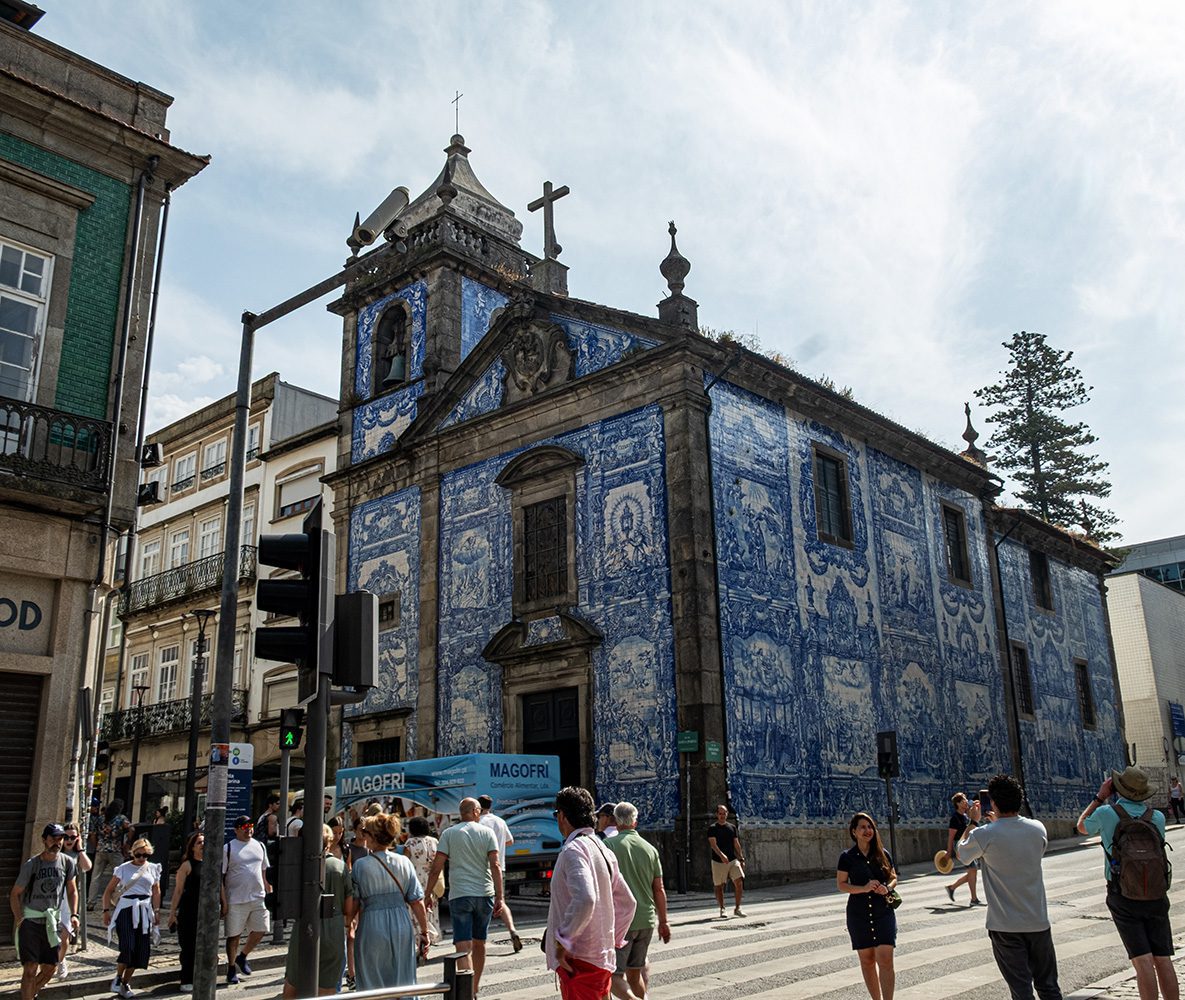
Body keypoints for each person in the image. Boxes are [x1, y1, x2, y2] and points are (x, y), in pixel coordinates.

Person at [957, 773, 1062, 1000]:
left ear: (993, 802)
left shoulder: (984, 834)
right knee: (1049, 987)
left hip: (1005, 926)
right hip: (1038, 922)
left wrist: (973, 821)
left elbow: (962, 853)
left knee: (1021, 990)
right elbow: (1015, 841)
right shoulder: (1038, 829)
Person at [1078, 766, 1177, 1000]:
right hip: (1156, 894)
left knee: (1142, 961)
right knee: (1163, 959)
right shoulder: (1157, 817)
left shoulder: (1106, 813)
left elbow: (1081, 826)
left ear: (1117, 788)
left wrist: (1100, 797)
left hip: (1122, 895)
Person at [545, 786, 637, 1000]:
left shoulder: (573, 850)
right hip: (601, 956)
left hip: (579, 960)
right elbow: (628, 903)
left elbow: (586, 898)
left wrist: (564, 940)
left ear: (562, 816)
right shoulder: (602, 849)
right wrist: (612, 938)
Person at [426, 797, 504, 995]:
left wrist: (427, 894)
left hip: (460, 895)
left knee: (462, 944)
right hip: (484, 893)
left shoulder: (449, 834)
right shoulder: (487, 833)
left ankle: (466, 991)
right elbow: (495, 865)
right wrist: (500, 896)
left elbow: (436, 868)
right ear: (476, 811)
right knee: (480, 942)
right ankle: (475, 987)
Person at [353, 813, 429, 992]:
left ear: (372, 837)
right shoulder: (404, 862)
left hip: (372, 926)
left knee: (372, 980)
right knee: (403, 979)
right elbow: (417, 902)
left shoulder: (361, 866)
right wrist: (424, 932)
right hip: (402, 924)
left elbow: (355, 903)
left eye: (366, 832)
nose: (363, 835)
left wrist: (348, 923)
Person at [605, 801, 671, 1000]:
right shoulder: (650, 849)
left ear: (615, 821)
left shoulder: (608, 846)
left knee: (612, 976)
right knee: (635, 973)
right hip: (646, 920)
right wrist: (664, 922)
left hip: (622, 923)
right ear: (635, 821)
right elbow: (658, 889)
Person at [283, 824, 357, 998]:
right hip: (333, 931)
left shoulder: (298, 866)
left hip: (304, 929)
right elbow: (348, 908)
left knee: (293, 982)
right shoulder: (339, 867)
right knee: (327, 988)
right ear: (329, 843)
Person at [10, 823, 79, 1000]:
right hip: (31, 921)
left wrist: (74, 914)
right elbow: (15, 894)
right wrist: (20, 919)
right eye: (53, 838)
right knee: (30, 968)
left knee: (50, 968)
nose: (58, 842)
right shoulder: (32, 864)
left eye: (60, 839)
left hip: (52, 922)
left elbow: (72, 890)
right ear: (44, 840)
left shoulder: (67, 862)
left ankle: (30, 994)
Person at [837, 812, 898, 1000]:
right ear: (854, 831)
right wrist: (863, 888)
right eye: (862, 827)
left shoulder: (882, 853)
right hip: (859, 914)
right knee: (867, 960)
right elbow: (841, 884)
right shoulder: (847, 857)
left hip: (883, 911)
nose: (867, 830)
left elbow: (894, 877)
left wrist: (887, 888)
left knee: (885, 958)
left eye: (870, 826)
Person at [102, 836, 162, 999]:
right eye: (139, 855)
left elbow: (156, 890)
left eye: (146, 855)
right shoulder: (123, 868)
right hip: (126, 909)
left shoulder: (153, 868)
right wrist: (106, 911)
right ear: (133, 854)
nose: (142, 858)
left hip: (144, 909)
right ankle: (118, 977)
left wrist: (156, 911)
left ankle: (125, 983)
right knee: (127, 946)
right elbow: (108, 890)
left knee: (141, 951)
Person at [223, 815, 271, 985]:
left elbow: (263, 869)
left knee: (261, 929)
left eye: (250, 826)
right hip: (235, 899)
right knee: (234, 935)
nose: (248, 829)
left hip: (257, 896)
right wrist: (224, 901)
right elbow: (222, 876)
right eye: (244, 827)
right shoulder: (228, 848)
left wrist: (266, 884)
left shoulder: (259, 846)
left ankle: (242, 957)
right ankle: (230, 967)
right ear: (236, 830)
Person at [477, 794, 523, 952]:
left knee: (482, 903)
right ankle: (512, 930)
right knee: (500, 901)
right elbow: (510, 841)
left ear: (479, 807)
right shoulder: (500, 821)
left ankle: (479, 940)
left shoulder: (479, 823)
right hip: (500, 867)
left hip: (483, 867)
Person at [166, 831, 204, 993]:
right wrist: (172, 913)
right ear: (192, 847)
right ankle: (186, 978)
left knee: (203, 946)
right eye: (199, 843)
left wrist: (224, 903)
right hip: (189, 911)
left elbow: (219, 885)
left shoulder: (211, 862)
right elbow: (178, 890)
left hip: (206, 912)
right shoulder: (187, 865)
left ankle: (200, 977)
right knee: (188, 946)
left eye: (204, 842)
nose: (203, 845)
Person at [56, 822, 92, 980]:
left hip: (69, 897)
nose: (69, 840)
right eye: (66, 836)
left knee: (65, 935)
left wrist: (81, 848)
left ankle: (61, 960)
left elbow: (87, 866)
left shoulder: (77, 855)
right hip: (53, 895)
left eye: (73, 837)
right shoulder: (55, 852)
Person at [403, 815, 442, 945]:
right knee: (431, 906)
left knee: (415, 908)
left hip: (416, 876)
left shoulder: (410, 843)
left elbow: (405, 862)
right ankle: (432, 935)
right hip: (432, 877)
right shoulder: (434, 841)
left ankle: (420, 938)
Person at [707, 803, 747, 919]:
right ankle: (722, 908)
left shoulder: (732, 827)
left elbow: (736, 843)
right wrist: (721, 855)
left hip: (732, 860)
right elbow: (713, 845)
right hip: (718, 861)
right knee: (719, 886)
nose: (722, 816)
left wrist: (741, 858)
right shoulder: (712, 828)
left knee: (739, 881)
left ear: (727, 814)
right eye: (720, 814)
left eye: (724, 813)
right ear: (716, 815)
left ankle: (738, 908)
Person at [89, 799, 130, 908]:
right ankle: (115, 901)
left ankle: (91, 902)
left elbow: (93, 834)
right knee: (119, 876)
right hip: (115, 850)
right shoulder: (121, 818)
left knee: (96, 877)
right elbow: (131, 828)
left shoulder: (101, 818)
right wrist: (127, 843)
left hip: (101, 849)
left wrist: (96, 846)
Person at [944, 793, 981, 905]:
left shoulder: (966, 816)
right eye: (962, 801)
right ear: (958, 804)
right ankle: (973, 899)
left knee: (972, 871)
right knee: (972, 870)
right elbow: (951, 837)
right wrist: (949, 852)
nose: (965, 802)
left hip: (967, 844)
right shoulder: (955, 818)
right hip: (959, 845)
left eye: (965, 799)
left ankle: (952, 887)